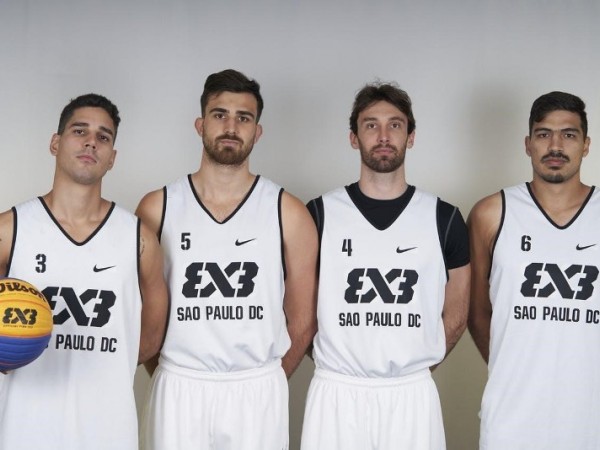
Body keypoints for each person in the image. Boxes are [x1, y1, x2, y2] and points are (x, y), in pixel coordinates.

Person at [138, 69, 318, 450]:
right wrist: (173, 372)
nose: (231, 127)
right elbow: (143, 315)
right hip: (180, 384)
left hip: (256, 388)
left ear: (258, 131)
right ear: (200, 124)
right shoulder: (157, 208)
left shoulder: (288, 212)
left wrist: (265, 379)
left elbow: (303, 318)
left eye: (244, 118)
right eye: (220, 115)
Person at [300, 82, 471, 450]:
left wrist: (413, 366)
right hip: (337, 389)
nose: (383, 136)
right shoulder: (318, 214)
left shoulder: (444, 218)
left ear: (411, 136)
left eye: (395, 125)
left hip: (411, 392)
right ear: (353, 137)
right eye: (371, 125)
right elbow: (298, 308)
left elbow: (457, 313)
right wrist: (337, 360)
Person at [0, 93, 168, 450]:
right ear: (55, 143)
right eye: (80, 131)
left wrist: (104, 365)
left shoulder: (138, 238)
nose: (92, 141)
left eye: (103, 137)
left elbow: (152, 336)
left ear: (112, 158)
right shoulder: (9, 230)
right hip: (25, 429)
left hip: (108, 430)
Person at [468, 91, 600, 449]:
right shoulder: (490, 214)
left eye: (569, 135)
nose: (555, 146)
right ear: (528, 144)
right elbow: (477, 313)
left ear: (586, 145)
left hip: (589, 420)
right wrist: (514, 364)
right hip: (511, 419)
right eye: (543, 134)